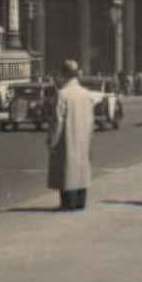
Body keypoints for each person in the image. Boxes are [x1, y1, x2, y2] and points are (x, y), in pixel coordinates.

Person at [47, 59, 96, 211]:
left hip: (67, 138)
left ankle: (68, 203)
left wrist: (52, 141)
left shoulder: (62, 95)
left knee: (66, 170)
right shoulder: (86, 94)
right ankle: (81, 202)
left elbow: (57, 121)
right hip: (83, 138)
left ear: (64, 75)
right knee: (82, 170)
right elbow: (91, 120)